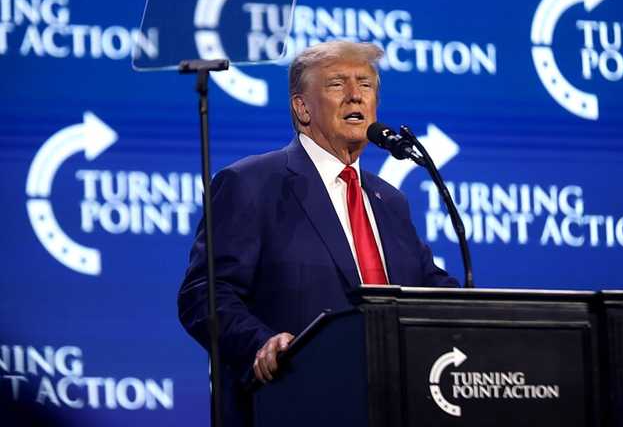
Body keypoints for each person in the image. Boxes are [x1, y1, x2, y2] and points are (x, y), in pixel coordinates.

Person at [178, 40, 458, 422]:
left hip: (394, 405)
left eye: (365, 84)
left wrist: (484, 321)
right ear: (302, 107)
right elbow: (205, 294)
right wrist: (259, 344)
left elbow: (426, 288)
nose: (355, 96)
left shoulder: (389, 201)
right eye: (337, 84)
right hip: (292, 403)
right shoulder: (252, 183)